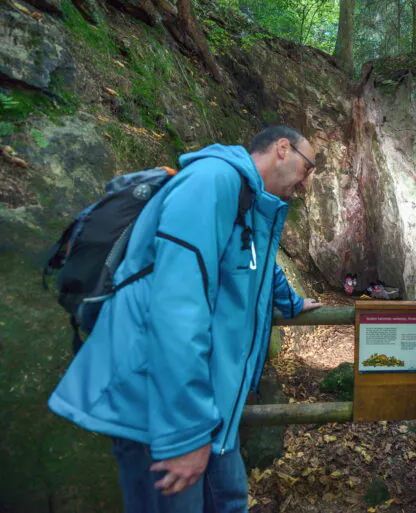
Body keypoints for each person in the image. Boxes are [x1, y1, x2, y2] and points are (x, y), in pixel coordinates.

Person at [48, 126, 323, 513]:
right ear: (282, 149)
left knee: (228, 501)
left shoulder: (244, 199)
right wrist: (183, 436)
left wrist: (290, 302)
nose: (306, 182)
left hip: (205, 406)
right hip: (161, 410)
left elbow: (252, 265)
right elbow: (177, 309)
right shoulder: (212, 182)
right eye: (308, 167)